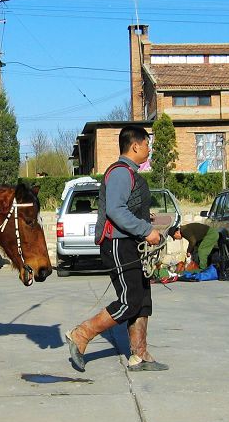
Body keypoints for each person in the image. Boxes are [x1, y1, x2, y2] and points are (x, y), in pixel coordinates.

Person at [65, 125, 167, 373]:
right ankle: (81, 334)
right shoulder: (121, 173)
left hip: (129, 243)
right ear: (135, 146)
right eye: (147, 144)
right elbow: (116, 210)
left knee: (142, 300)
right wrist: (146, 230)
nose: (149, 149)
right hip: (119, 244)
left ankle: (139, 355)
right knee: (129, 301)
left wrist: (147, 220)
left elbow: (125, 208)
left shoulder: (129, 173)